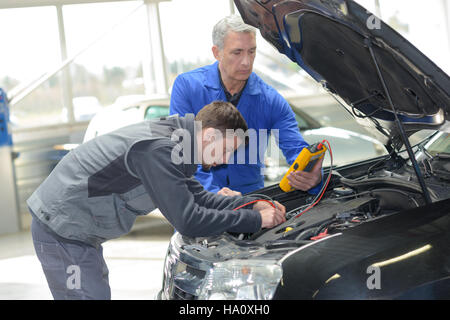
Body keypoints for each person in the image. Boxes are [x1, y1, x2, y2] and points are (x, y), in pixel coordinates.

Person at [28, 101, 286, 300]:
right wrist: (254, 220)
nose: (227, 159)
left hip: (78, 231)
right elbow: (189, 220)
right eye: (227, 149)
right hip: (62, 230)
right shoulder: (159, 150)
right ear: (209, 136)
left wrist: (253, 204)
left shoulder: (176, 145)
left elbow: (199, 198)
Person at [170, 15, 323, 196]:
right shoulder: (187, 87)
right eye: (237, 52)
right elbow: (183, 152)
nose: (246, 61)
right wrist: (212, 195)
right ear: (216, 52)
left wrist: (312, 175)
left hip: (251, 205)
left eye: (251, 51)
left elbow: (295, 149)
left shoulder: (272, 101)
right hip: (198, 204)